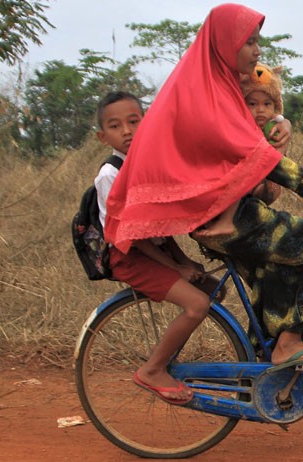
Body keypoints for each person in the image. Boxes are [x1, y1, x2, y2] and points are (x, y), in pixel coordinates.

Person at [103, 4, 303, 404]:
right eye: (250, 41)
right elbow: (263, 158)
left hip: (215, 218)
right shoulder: (212, 96)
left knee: (277, 276)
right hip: (229, 221)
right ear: (226, 44)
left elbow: (260, 159)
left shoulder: (212, 85)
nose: (258, 51)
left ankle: (268, 370)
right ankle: (288, 343)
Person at [95, 91, 221, 405]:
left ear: (146, 122)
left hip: (155, 249)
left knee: (214, 289)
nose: (126, 130)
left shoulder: (148, 163)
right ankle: (153, 369)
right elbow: (133, 235)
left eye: (133, 121)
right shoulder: (110, 176)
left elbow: (161, 227)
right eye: (115, 126)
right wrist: (176, 267)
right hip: (129, 257)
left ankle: (171, 356)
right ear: (102, 136)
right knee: (197, 305)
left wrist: (185, 260)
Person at [197, 62, 287, 237]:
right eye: (252, 104)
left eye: (267, 104)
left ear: (275, 107)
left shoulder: (275, 126)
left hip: (267, 179)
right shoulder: (237, 127)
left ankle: (230, 219)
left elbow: (276, 161)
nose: (260, 110)